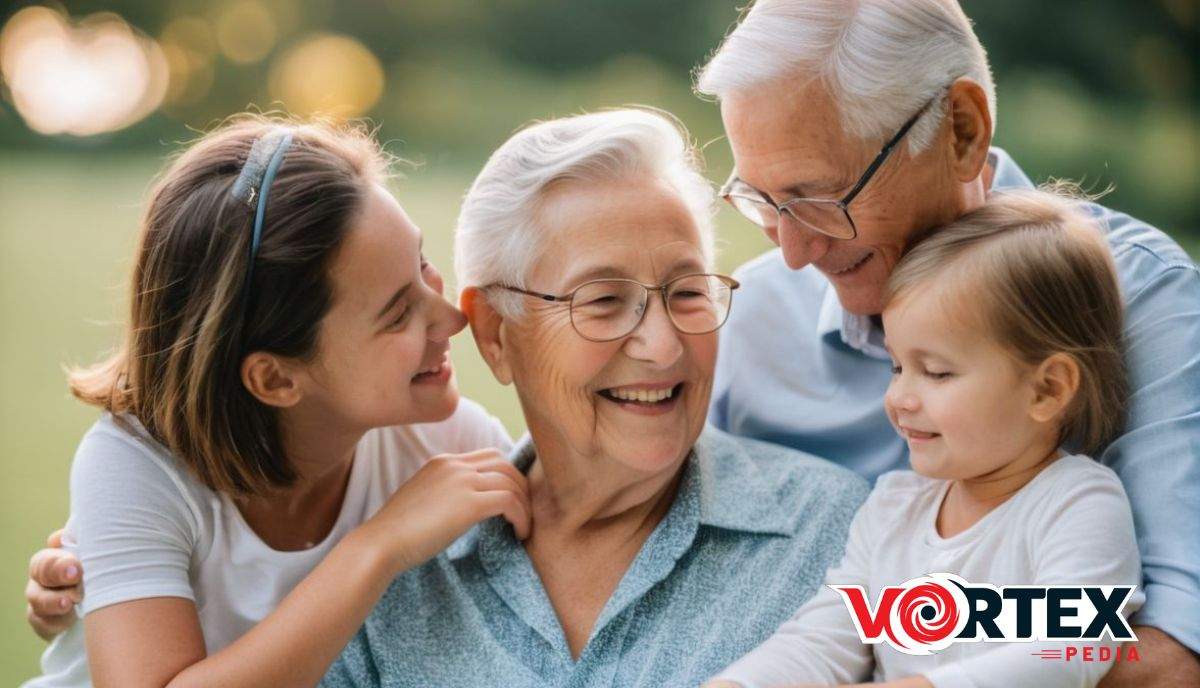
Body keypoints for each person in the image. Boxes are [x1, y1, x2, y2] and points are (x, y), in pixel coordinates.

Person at [695, 2, 1200, 683]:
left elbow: (1149, 652)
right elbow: (828, 634)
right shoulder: (894, 503)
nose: (792, 252)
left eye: (819, 197)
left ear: (960, 131)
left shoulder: (1135, 321)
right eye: (762, 202)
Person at [318, 108, 869, 687]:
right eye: (603, 301)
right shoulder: (399, 579)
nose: (661, 346)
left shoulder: (842, 535)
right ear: (494, 334)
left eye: (686, 292)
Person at [21, 116, 526, 688]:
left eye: (421, 264)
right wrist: (379, 547)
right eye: (396, 314)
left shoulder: (445, 443)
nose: (453, 317)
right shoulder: (135, 467)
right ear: (276, 380)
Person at [707, 187, 1142, 688]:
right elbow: (825, 639)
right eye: (896, 366)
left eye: (935, 372)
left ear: (1047, 389)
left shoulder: (1076, 504)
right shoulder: (894, 509)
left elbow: (1070, 648)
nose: (899, 398)